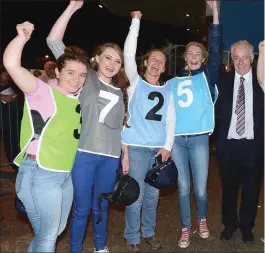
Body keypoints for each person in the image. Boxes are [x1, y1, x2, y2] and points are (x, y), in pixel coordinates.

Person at [46, 1, 130, 252]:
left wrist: (125, 154)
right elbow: (53, 41)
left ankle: (101, 247)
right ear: (96, 58)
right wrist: (72, 8)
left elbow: (122, 128)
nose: (112, 63)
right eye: (108, 57)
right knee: (81, 209)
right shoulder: (85, 78)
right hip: (83, 153)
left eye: (117, 60)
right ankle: (75, 249)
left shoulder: (122, 91)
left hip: (110, 157)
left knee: (101, 206)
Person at [3, 21, 89, 252]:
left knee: (51, 233)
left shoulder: (74, 97)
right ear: (58, 72)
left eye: (82, 75)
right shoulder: (42, 91)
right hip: (39, 175)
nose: (77, 79)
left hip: (63, 176)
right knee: (48, 236)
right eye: (70, 73)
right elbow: (11, 64)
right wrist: (21, 38)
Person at [167, 0, 221, 248]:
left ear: (203, 58)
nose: (195, 56)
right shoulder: (173, 82)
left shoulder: (207, 79)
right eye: (191, 53)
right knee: (183, 188)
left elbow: (218, 48)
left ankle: (202, 219)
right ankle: (186, 227)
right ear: (185, 57)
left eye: (199, 54)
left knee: (200, 190)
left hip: (199, 139)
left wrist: (216, 16)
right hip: (177, 141)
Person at [121, 11, 176, 252]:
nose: (156, 64)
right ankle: (132, 237)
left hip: (157, 150)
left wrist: (167, 147)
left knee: (153, 198)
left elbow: (171, 121)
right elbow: (127, 54)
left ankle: (149, 234)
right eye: (153, 60)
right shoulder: (134, 82)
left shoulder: (167, 90)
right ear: (145, 63)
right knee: (136, 196)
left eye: (161, 62)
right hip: (136, 147)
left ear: (164, 67)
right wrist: (136, 22)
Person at [215, 40, 264, 243]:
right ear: (231, 59)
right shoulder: (221, 81)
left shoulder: (261, 82)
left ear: (252, 59)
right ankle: (229, 225)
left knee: (252, 189)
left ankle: (246, 226)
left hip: (253, 145)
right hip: (229, 145)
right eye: (237, 58)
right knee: (229, 189)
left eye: (245, 58)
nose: (241, 62)